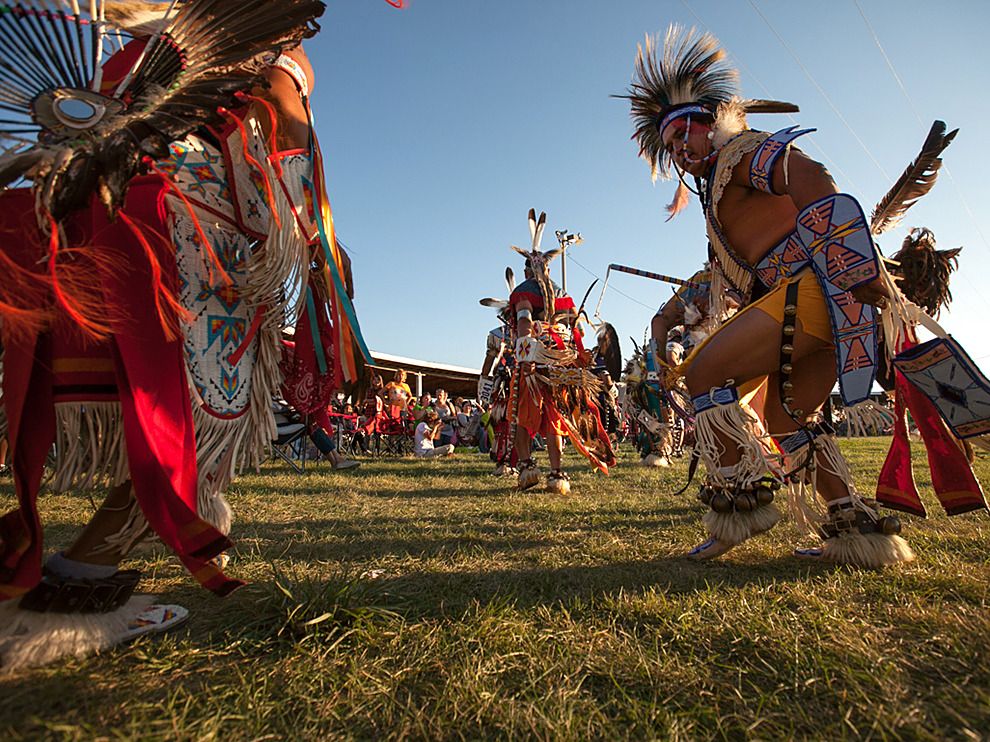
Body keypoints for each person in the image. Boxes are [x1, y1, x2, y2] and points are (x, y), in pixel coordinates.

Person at [0, 1, 343, 671]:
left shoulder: (142, 47)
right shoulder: (268, 54)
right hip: (188, 250)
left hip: (92, 234)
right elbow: (282, 136)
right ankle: (75, 589)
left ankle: (78, 569)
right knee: (191, 428)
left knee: (156, 418)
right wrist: (306, 239)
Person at [624, 26, 914, 566]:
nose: (679, 152)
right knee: (787, 420)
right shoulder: (719, 199)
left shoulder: (742, 153)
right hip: (818, 309)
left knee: (706, 375)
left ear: (708, 122)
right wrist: (665, 326)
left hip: (810, 296)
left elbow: (810, 175)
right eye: (669, 148)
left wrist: (849, 261)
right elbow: (716, 284)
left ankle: (737, 511)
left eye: (682, 135)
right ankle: (860, 536)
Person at [506, 209, 615, 494]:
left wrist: (527, 355)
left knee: (522, 412)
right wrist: (580, 358)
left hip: (535, 360)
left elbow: (524, 321)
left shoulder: (524, 292)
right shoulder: (562, 294)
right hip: (561, 362)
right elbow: (575, 332)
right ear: (548, 269)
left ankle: (528, 467)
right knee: (554, 416)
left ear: (528, 271)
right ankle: (557, 474)